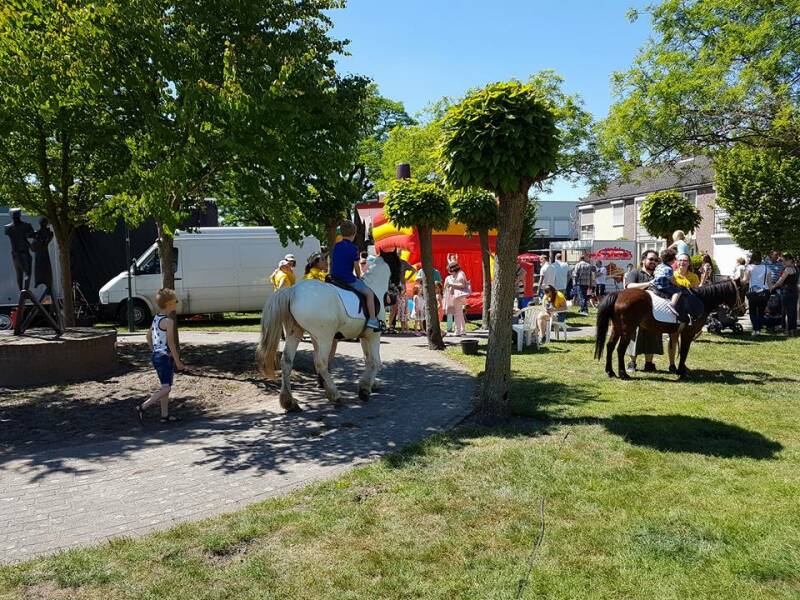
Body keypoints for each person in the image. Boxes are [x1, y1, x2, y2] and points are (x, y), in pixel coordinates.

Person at [137, 288, 185, 424]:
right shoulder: (169, 322)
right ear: (169, 303)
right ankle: (142, 407)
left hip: (157, 356)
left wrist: (155, 350)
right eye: (175, 301)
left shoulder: (156, 318)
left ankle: (165, 416)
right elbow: (171, 343)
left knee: (165, 386)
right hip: (164, 358)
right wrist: (178, 361)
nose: (177, 302)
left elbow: (148, 337)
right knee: (167, 388)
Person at [331, 220, 380, 331]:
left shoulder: (336, 246)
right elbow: (356, 266)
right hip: (347, 279)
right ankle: (373, 319)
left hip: (334, 278)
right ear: (354, 234)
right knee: (369, 293)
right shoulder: (354, 248)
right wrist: (359, 277)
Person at [624, 250, 663, 372]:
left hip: (654, 312)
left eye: (656, 260)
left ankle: (649, 364)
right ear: (643, 260)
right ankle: (632, 363)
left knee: (653, 335)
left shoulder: (658, 275)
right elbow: (629, 286)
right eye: (651, 259)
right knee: (634, 336)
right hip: (636, 311)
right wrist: (648, 283)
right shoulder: (635, 272)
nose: (653, 262)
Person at [652, 248, 690, 323]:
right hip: (664, 286)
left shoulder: (659, 266)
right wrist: (678, 285)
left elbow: (654, 273)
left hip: (655, 284)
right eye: (674, 259)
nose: (675, 260)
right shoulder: (669, 269)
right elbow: (672, 280)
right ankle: (672, 304)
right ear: (671, 260)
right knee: (678, 292)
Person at [4, 208, 35, 291]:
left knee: (19, 273)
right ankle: (25, 291)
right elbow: (32, 236)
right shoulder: (27, 225)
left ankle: (22, 291)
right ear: (20, 215)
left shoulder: (8, 228)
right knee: (27, 273)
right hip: (24, 252)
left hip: (15, 254)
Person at [743, 251, 771, 336]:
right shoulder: (766, 268)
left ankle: (756, 329)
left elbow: (745, 280)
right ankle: (758, 329)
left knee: (752, 312)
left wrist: (740, 280)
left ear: (753, 258)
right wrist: (770, 293)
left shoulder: (749, 267)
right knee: (761, 312)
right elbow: (769, 283)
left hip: (753, 293)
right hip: (764, 292)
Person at [771, 253, 798, 336]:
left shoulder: (787, 269)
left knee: (785, 311)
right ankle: (793, 330)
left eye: (784, 261)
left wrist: (772, 287)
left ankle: (786, 330)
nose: (783, 263)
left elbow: (780, 281)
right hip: (794, 292)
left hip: (786, 292)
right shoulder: (796, 269)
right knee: (793, 311)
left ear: (790, 260)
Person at [444, 261, 469, 336]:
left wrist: (451, 284)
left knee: (457, 314)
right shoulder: (460, 273)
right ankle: (462, 330)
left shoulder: (460, 274)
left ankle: (457, 331)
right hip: (458, 296)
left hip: (457, 296)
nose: (449, 272)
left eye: (450, 270)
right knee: (460, 313)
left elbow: (462, 285)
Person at [31, 217, 54, 294]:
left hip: (40, 254)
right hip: (43, 254)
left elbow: (33, 247)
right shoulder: (47, 233)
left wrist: (38, 239)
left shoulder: (38, 233)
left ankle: (45, 285)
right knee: (44, 271)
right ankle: (45, 285)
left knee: (41, 271)